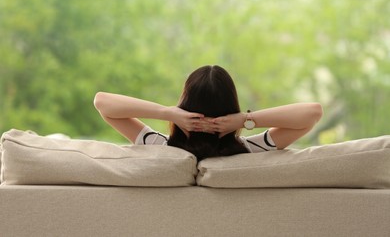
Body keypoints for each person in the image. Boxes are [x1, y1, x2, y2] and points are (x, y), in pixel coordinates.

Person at [94, 65, 323, 160]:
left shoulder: (157, 146)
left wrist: (168, 113)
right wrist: (246, 119)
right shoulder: (251, 150)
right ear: (231, 105)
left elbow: (102, 103)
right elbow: (312, 113)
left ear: (184, 103)